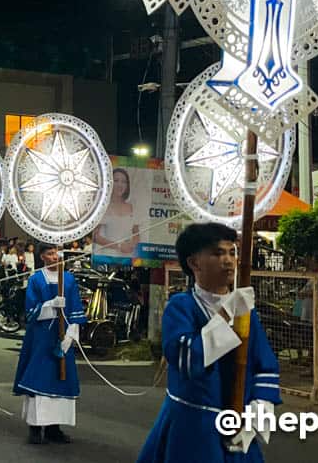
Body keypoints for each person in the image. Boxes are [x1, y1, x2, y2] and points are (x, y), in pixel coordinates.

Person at [137, 223, 281, 462]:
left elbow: (264, 366)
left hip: (238, 429)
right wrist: (229, 313)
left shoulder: (246, 312)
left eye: (232, 252)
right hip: (192, 431)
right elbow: (189, 361)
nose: (228, 260)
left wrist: (255, 417)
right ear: (194, 263)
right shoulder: (180, 307)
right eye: (217, 253)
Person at [12, 242, 86, 445]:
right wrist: (50, 305)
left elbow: (76, 308)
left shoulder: (69, 279)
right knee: (39, 378)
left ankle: (54, 427)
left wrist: (71, 334)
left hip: (62, 337)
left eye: (56, 253)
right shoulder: (36, 279)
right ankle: (35, 427)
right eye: (50, 253)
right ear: (42, 256)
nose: (55, 257)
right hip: (41, 337)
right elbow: (30, 311)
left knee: (60, 379)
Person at [94, 168, 140, 259]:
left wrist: (132, 244)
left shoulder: (132, 207)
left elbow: (136, 234)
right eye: (116, 181)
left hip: (128, 257)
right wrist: (118, 246)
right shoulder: (103, 206)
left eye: (124, 182)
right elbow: (95, 236)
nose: (120, 185)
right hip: (107, 257)